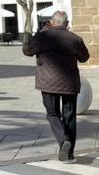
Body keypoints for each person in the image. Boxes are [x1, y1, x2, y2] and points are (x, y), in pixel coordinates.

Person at [22, 10, 89, 162]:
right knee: (69, 116)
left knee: (52, 114)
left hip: (48, 83)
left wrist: (33, 37)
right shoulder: (75, 39)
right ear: (67, 24)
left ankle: (63, 141)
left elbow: (27, 51)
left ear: (51, 22)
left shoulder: (42, 37)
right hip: (70, 83)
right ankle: (69, 152)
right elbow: (85, 57)